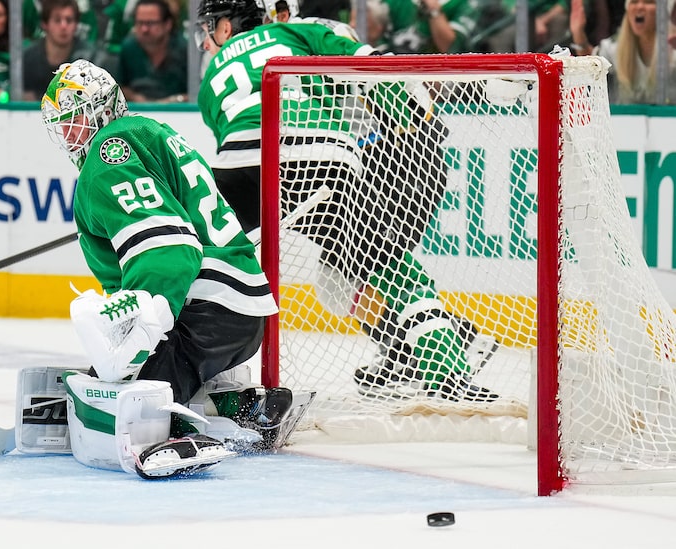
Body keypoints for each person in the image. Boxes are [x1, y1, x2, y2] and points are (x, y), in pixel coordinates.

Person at [196, 0, 499, 402]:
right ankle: (442, 361)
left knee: (222, 270)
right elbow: (381, 73)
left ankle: (202, 372)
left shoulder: (210, 78)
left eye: (211, 27)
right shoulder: (300, 32)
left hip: (239, 167)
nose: (205, 39)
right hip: (326, 158)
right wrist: (427, 110)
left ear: (229, 27)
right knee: (363, 273)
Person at [40, 59, 300, 478]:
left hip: (204, 309)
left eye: (74, 118)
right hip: (245, 313)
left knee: (125, 391)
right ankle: (248, 408)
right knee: (145, 368)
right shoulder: (150, 132)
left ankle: (172, 431)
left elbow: (169, 250)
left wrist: (146, 318)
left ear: (101, 108)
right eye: (61, 123)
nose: (69, 134)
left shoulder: (109, 154)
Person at [570, 0, 676, 104]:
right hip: (625, 119)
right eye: (634, 2)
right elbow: (591, 65)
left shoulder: (673, 48)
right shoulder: (615, 48)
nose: (639, 7)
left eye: (648, 2)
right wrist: (578, 32)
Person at [111, 0, 188, 103]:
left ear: (168, 24)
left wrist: (176, 100)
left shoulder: (185, 50)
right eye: (140, 23)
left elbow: (198, 92)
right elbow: (119, 86)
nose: (144, 29)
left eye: (150, 23)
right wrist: (135, 97)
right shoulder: (129, 48)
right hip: (138, 111)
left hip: (180, 112)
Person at [21, 0, 95, 100]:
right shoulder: (28, 59)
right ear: (44, 24)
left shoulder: (90, 60)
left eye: (69, 20)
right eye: (57, 20)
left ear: (76, 25)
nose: (63, 26)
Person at [381, 0, 479, 54]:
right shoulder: (394, 3)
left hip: (437, 74)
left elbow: (451, 49)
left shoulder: (464, 4)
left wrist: (433, 10)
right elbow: (374, 40)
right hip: (394, 68)